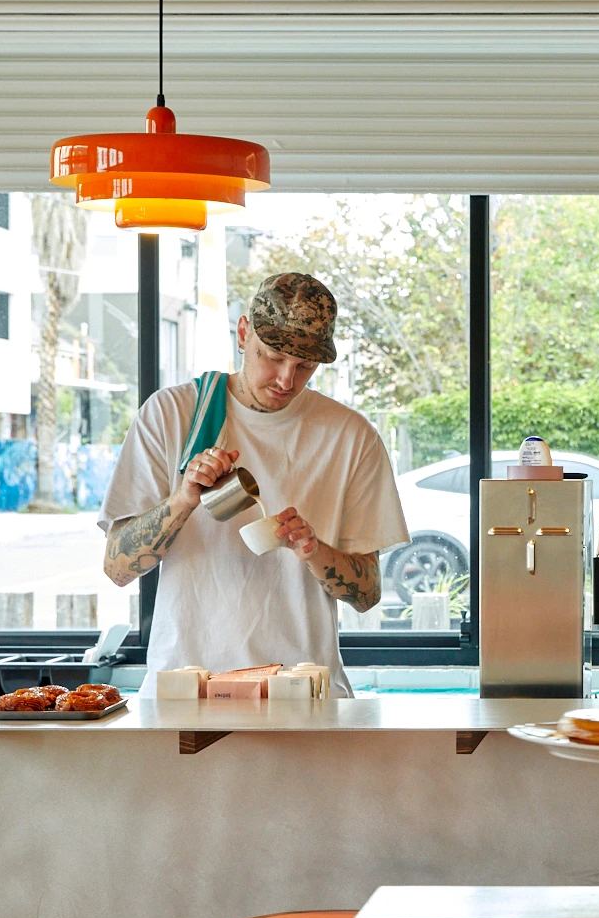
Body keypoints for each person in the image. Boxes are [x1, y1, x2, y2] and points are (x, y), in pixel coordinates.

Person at [99, 273, 409, 696]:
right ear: (243, 333)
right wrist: (183, 500)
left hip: (302, 694)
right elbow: (117, 567)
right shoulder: (174, 414)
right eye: (273, 357)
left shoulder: (351, 436)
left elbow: (368, 593)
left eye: (305, 366)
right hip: (187, 691)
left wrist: (315, 551)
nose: (286, 380)